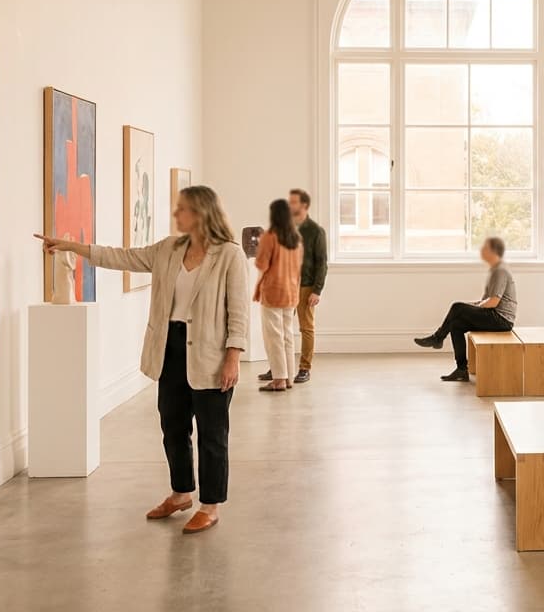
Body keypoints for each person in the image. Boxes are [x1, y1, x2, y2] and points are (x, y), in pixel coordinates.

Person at [34, 185, 249, 535]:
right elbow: (122, 257)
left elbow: (238, 313)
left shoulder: (229, 256)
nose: (176, 214)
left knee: (212, 433)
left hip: (210, 353)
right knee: (172, 426)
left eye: (182, 209)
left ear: (200, 213)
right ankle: (181, 493)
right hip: (170, 348)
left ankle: (210, 506)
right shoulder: (168, 249)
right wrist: (72, 247)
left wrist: (233, 358)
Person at [413, 237, 517, 382]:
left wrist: (469, 307)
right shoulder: (495, 270)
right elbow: (486, 301)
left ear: (493, 251)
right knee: (456, 325)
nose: (481, 250)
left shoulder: (500, 271)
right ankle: (461, 369)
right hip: (494, 315)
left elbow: (493, 302)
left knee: (457, 307)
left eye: (485, 248)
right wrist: (472, 306)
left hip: (502, 320)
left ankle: (438, 338)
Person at [260, 189, 327, 385]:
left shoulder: (316, 231)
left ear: (304, 205)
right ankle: (279, 368)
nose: (290, 206)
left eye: (294, 202)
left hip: (306, 285)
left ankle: (304, 368)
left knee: (306, 328)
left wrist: (317, 290)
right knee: (280, 328)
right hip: (286, 284)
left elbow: (322, 262)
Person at [254, 198, 303, 392]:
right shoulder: (296, 239)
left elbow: (262, 264)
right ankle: (289, 377)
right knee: (288, 335)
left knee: (273, 336)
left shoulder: (270, 236)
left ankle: (279, 379)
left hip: (273, 291)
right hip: (291, 292)